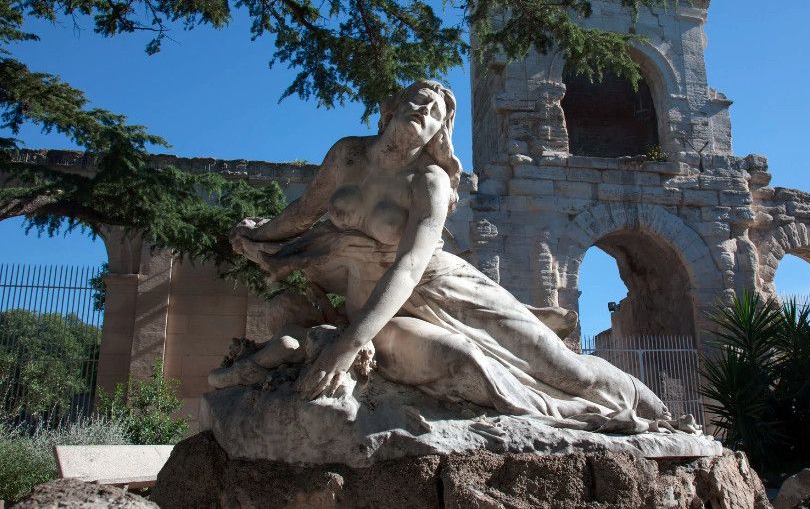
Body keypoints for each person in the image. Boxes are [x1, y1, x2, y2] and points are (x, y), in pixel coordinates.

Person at [226, 80, 691, 434]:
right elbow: (303, 214)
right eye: (418, 99)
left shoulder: (429, 181)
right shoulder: (347, 156)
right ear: (391, 108)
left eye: (436, 112)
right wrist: (256, 234)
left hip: (441, 287)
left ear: (439, 132)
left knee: (563, 368)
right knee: (468, 366)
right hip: (375, 303)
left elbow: (410, 264)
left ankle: (657, 413)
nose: (424, 110)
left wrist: (348, 344)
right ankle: (572, 416)